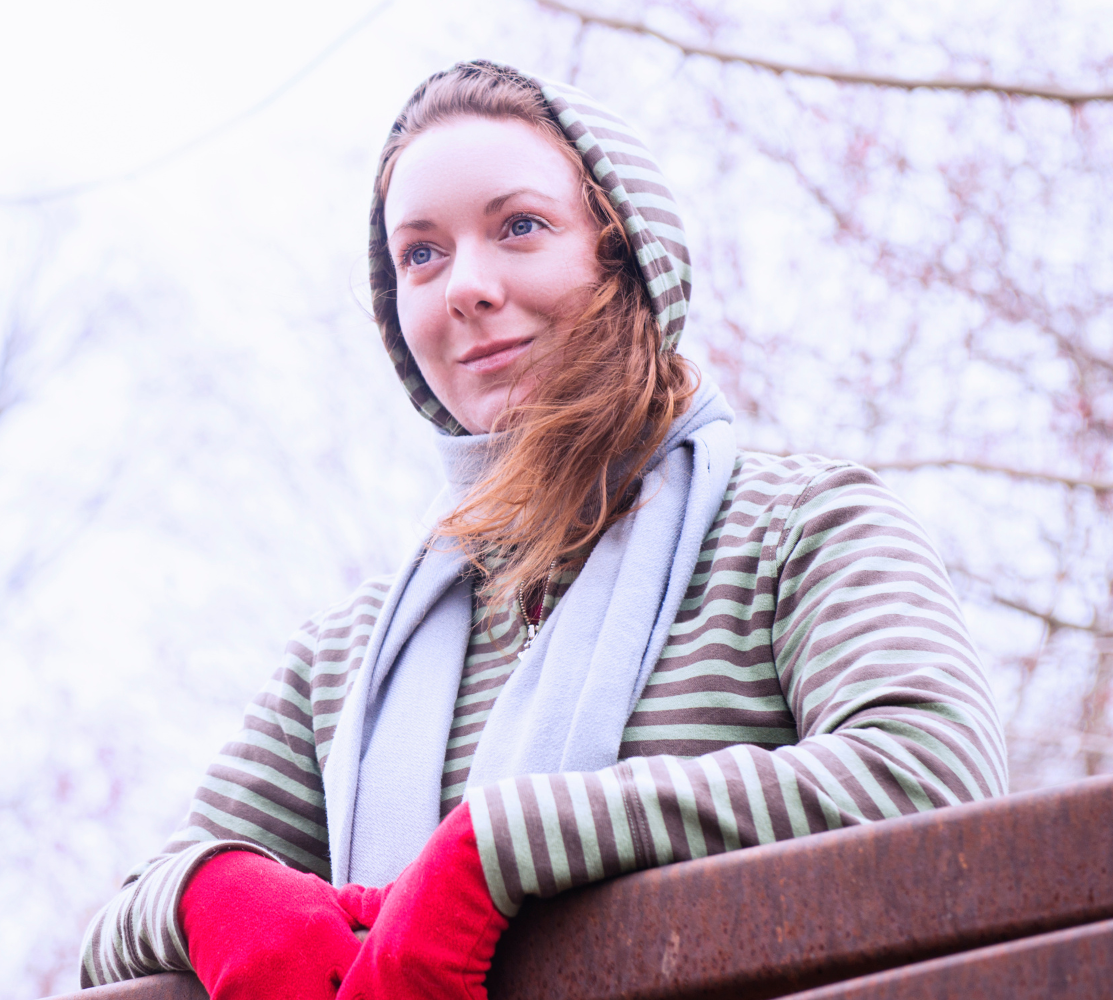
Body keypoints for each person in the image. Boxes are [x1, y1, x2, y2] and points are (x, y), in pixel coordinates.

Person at [79, 60, 1005, 1000]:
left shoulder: (797, 530)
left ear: (624, 253)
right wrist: (213, 896)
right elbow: (116, 937)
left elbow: (932, 776)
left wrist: (502, 851)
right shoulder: (342, 663)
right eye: (421, 254)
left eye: (519, 226)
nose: (466, 287)